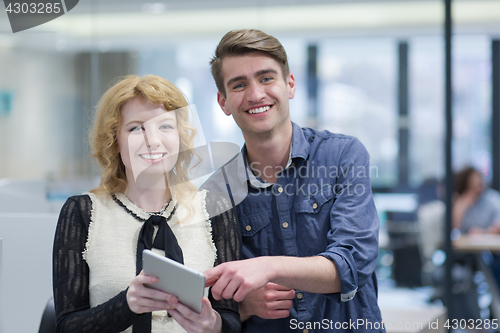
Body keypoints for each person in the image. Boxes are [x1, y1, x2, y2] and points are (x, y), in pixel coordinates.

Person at [202, 29, 383, 332]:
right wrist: (245, 306)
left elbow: (352, 265)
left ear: (290, 84)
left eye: (266, 78)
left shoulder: (343, 155)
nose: (256, 94)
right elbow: (213, 301)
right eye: (239, 84)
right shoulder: (216, 192)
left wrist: (268, 267)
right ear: (223, 102)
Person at [52, 74, 241, 333]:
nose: (153, 140)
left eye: (165, 126)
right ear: (114, 141)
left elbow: (231, 319)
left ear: (180, 137)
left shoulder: (214, 209)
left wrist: (213, 324)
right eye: (136, 128)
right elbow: (65, 327)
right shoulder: (82, 212)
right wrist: (127, 304)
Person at [452, 166, 500, 234]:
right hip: (464, 243)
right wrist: (462, 204)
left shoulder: (492, 199)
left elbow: (498, 227)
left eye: (479, 184)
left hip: (487, 242)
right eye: (473, 186)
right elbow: (454, 229)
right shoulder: (461, 202)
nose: (477, 189)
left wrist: (484, 232)